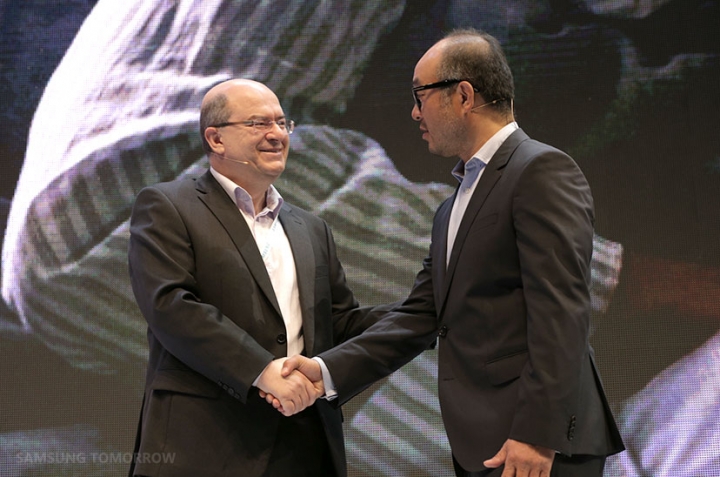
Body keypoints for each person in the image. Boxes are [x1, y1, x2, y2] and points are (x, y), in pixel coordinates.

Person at [273, 29, 626, 476]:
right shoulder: (452, 205)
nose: (414, 112)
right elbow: (420, 315)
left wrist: (538, 433)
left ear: (463, 96)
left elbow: (561, 310)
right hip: (483, 441)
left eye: (420, 96)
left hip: (537, 446)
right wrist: (324, 372)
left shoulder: (540, 169)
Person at [127, 78, 377, 477]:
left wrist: (423, 312)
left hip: (305, 445)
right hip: (207, 445)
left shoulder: (312, 228)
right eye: (259, 123)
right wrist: (263, 371)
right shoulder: (168, 206)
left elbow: (341, 322)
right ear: (216, 139)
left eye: (282, 123)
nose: (277, 134)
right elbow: (170, 306)